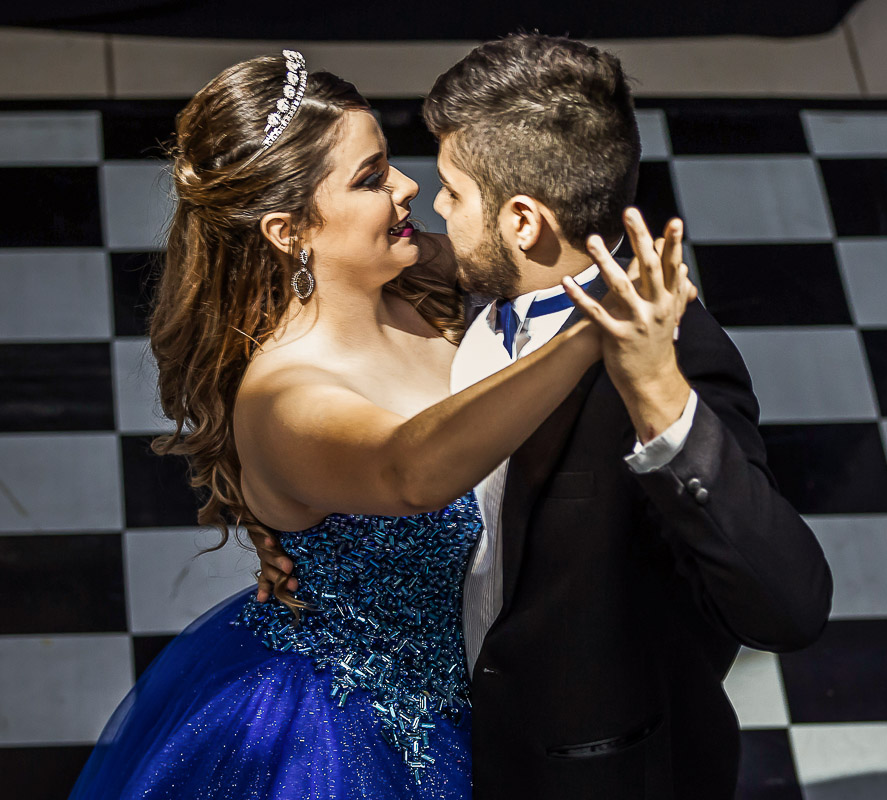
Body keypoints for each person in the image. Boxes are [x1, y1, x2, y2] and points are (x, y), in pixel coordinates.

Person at [67, 50, 693, 800]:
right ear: (287, 229)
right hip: (358, 736)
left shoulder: (417, 279)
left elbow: (509, 250)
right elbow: (410, 470)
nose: (408, 188)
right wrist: (596, 330)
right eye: (369, 180)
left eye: (389, 163)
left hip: (512, 698)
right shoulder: (284, 400)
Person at [256, 33, 835, 800]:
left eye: (454, 194)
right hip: (444, 735)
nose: (431, 204)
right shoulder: (465, 287)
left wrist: (663, 404)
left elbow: (791, 608)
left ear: (523, 221)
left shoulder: (671, 356)